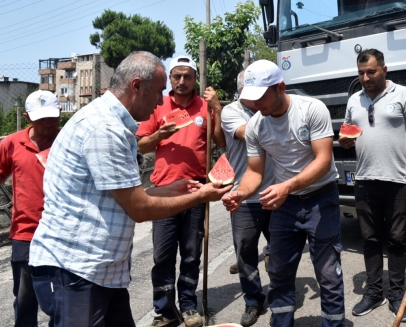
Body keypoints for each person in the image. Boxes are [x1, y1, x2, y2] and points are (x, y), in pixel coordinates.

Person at [28, 51, 232, 327]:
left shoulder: (113, 125)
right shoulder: (104, 129)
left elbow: (119, 197)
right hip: (77, 271)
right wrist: (201, 195)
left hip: (103, 273)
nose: (161, 100)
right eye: (159, 91)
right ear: (136, 86)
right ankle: (166, 308)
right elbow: (137, 208)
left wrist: (172, 189)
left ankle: (185, 304)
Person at [222, 60, 345, 327]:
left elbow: (323, 160)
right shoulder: (256, 125)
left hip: (320, 199)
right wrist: (240, 193)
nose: (255, 105)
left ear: (280, 87)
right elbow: (255, 172)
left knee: (327, 273)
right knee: (278, 272)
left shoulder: (312, 110)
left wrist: (287, 185)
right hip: (285, 205)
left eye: (260, 97)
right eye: (250, 99)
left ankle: (333, 324)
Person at [339, 48, 406, 322]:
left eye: (371, 72)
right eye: (361, 73)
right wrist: (345, 140)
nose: (365, 77)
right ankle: (375, 291)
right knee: (370, 239)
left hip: (399, 180)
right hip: (364, 180)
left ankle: (397, 293)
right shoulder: (354, 100)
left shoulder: (403, 95)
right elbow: (346, 132)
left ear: (384, 70)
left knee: (398, 240)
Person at [136, 55, 224, 327]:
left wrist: (217, 110)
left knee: (191, 252)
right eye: (177, 76)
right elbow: (140, 146)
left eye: (188, 76)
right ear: (170, 79)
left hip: (196, 189)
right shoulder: (158, 105)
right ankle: (164, 310)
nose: (182, 81)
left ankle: (188, 306)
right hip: (164, 189)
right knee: (162, 254)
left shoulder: (205, 106)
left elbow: (220, 142)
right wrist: (160, 135)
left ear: (196, 79)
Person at [0, 90, 60, 327]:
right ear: (27, 117)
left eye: (52, 117)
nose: (48, 123)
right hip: (26, 233)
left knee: (62, 296)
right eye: (40, 118)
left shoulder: (68, 141)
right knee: (25, 297)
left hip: (62, 232)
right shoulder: (12, 143)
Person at [221, 71, 274, 327]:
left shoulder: (269, 109)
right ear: (242, 91)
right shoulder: (230, 111)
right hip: (244, 196)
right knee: (245, 253)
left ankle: (280, 294)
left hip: (276, 192)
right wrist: (276, 119)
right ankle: (253, 300)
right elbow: (248, 134)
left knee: (280, 249)